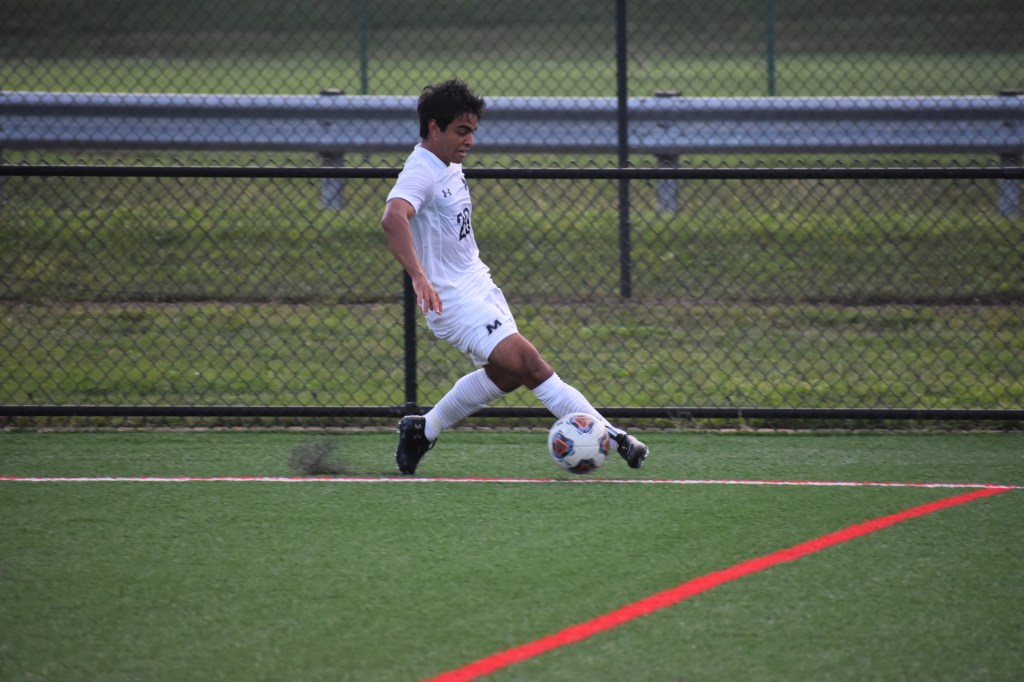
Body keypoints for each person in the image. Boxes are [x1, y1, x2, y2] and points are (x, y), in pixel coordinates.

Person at [379, 78, 649, 475]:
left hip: (479, 286)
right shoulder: (422, 170)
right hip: (452, 300)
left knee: (507, 375)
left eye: (473, 131)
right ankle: (614, 437)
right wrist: (419, 277)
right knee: (530, 363)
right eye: (462, 131)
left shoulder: (448, 163)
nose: (470, 140)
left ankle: (424, 428)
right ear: (434, 128)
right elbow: (393, 217)